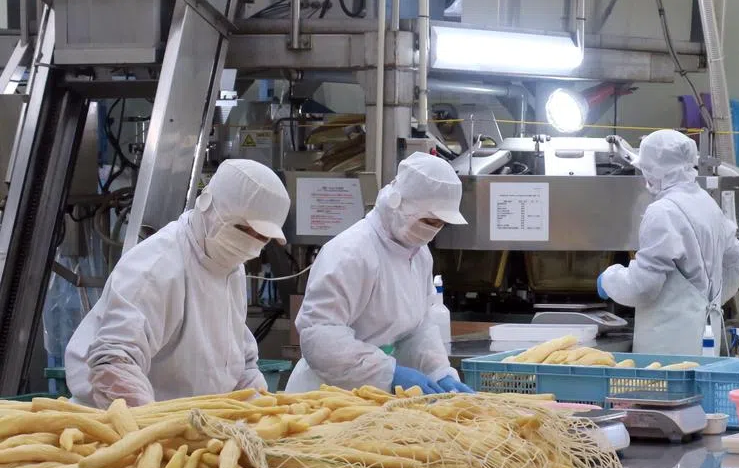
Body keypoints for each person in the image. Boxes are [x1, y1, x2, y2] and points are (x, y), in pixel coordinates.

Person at [65, 159, 291, 407]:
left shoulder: (230, 267)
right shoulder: (158, 265)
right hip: (121, 421)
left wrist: (260, 409)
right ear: (208, 206)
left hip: (191, 424)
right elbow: (114, 362)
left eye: (262, 238)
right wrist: (152, 427)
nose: (251, 243)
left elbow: (239, 364)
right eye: (243, 230)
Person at [288, 152, 472, 395]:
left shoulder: (419, 255)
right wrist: (388, 373)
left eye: (441, 224)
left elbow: (418, 328)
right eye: (429, 221)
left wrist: (438, 371)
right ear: (398, 202)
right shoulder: (351, 252)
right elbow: (320, 338)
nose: (434, 230)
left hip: (375, 395)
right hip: (326, 393)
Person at [596, 129, 739, 355]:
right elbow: (735, 261)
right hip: (706, 336)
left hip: (669, 346)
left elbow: (644, 287)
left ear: (654, 170)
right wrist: (705, 302)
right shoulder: (706, 202)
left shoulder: (663, 211)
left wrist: (609, 280)